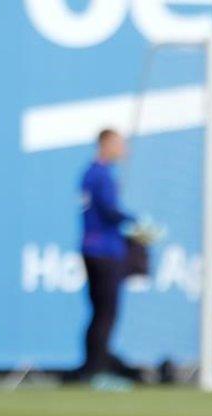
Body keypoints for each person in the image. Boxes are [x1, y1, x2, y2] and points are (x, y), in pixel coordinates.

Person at [78, 128, 138, 387]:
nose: (123, 149)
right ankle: (98, 371)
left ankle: (91, 367)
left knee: (98, 312)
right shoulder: (101, 176)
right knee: (106, 313)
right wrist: (135, 222)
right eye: (119, 144)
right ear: (106, 144)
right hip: (105, 251)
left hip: (92, 249)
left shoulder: (90, 173)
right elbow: (110, 211)